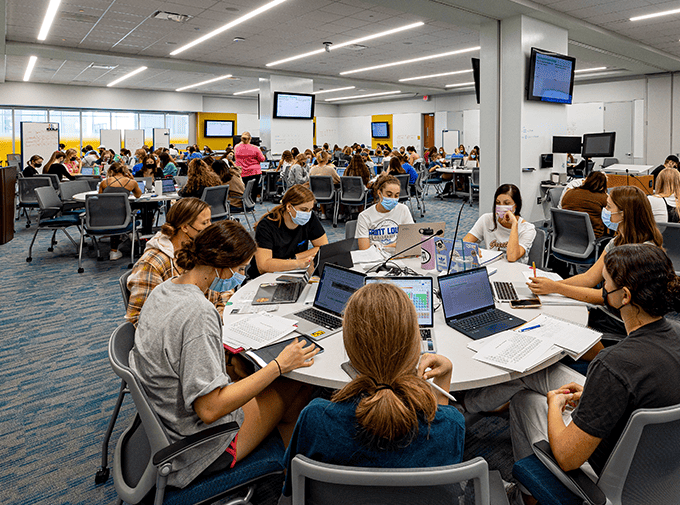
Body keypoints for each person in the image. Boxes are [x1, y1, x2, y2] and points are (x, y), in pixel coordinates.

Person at [130, 221, 317, 489]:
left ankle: (287, 472)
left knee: (272, 384)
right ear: (222, 266)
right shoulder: (199, 313)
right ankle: (288, 482)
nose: (241, 276)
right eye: (240, 269)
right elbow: (209, 409)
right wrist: (278, 365)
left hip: (167, 420)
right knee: (297, 383)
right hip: (202, 443)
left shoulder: (165, 289)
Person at [508, 243, 680, 483]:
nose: (602, 288)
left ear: (624, 296)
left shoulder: (613, 364)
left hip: (616, 473)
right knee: (539, 378)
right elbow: (649, 390)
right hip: (667, 456)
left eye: (604, 283)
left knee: (524, 401)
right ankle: (473, 404)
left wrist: (554, 404)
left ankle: (526, 492)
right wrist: (596, 395)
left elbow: (566, 457)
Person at [282, 282, 463, 497]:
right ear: (415, 346)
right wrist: (443, 380)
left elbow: (292, 486)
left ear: (350, 347)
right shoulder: (452, 424)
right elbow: (439, 447)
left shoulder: (316, 418)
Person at [528, 186, 663, 304]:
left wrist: (556, 288)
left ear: (623, 214)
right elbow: (589, 278)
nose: (604, 210)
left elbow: (606, 297)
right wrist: (551, 285)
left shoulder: (644, 251)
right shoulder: (617, 241)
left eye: (609, 207)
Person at [126, 197, 219, 325]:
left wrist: (221, 312)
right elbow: (139, 317)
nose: (210, 228)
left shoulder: (200, 248)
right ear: (185, 227)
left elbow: (222, 284)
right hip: (177, 334)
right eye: (204, 223)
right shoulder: (152, 263)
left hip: (205, 321)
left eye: (210, 221)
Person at [251, 185, 328, 276]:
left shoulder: (310, 218)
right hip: (268, 275)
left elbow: (323, 247)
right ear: (289, 207)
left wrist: (295, 258)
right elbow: (263, 266)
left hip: (293, 272)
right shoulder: (267, 226)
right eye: (303, 209)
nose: (307, 214)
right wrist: (299, 263)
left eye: (310, 209)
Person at [464, 184, 536, 263]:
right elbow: (464, 243)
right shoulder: (486, 219)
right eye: (498, 203)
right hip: (492, 266)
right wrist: (472, 248)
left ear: (516, 205)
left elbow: (512, 257)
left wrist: (514, 224)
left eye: (506, 203)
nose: (501, 207)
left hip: (515, 270)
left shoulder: (528, 229)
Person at [356, 175, 415, 251]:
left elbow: (411, 241)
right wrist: (393, 246)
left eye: (396, 195)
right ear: (379, 193)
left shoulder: (403, 209)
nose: (393, 199)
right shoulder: (364, 216)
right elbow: (364, 250)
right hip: (375, 259)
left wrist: (381, 247)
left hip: (399, 256)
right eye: (389, 195)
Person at [558, 171, 609, 239]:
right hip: (591, 236)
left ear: (586, 180)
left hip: (567, 233)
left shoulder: (569, 192)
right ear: (603, 186)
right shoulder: (603, 197)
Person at [234, 132, 266, 200]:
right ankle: (252, 206)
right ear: (250, 139)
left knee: (243, 190)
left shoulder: (236, 147)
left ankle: (243, 205)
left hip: (242, 173)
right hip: (254, 172)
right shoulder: (255, 148)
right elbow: (262, 159)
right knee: (253, 191)